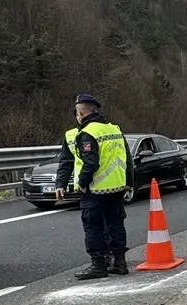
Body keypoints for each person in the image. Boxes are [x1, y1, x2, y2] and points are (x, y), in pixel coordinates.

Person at [55, 94, 134, 280]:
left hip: (95, 189)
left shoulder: (87, 133)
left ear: (80, 113)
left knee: (93, 227)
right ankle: (120, 262)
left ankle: (98, 264)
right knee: (116, 224)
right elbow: (127, 159)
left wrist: (81, 184)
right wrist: (129, 182)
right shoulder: (114, 130)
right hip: (117, 187)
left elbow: (90, 163)